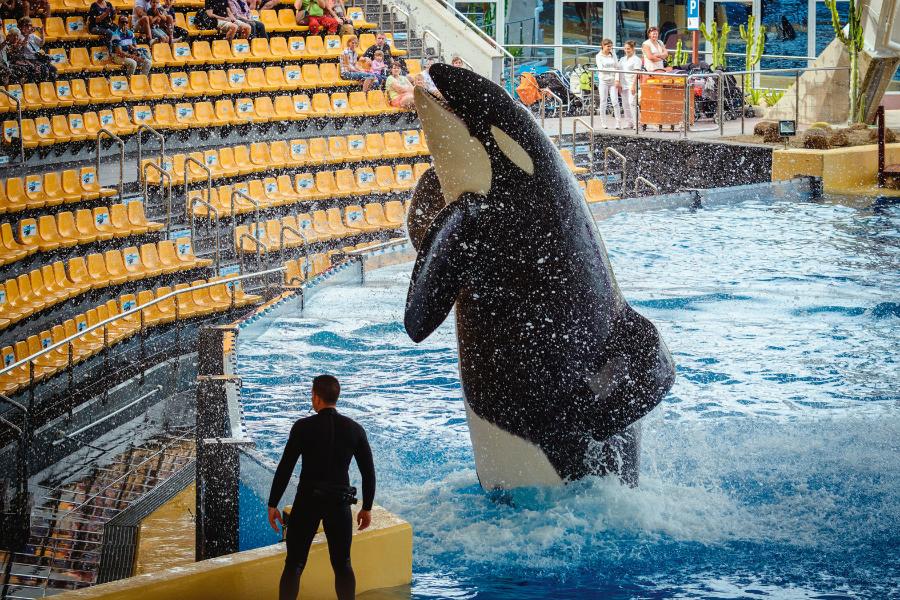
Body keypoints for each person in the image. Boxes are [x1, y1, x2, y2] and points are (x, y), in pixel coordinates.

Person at [267, 375, 375, 600]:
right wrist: (367, 507)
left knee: (294, 564)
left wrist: (273, 503)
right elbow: (368, 472)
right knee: (343, 564)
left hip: (308, 501)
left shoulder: (303, 427)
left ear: (316, 397)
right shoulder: (355, 429)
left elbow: (285, 467)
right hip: (339, 503)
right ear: (336, 397)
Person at [595, 38, 620, 129]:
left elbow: (617, 67)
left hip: (613, 81)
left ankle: (618, 123)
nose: (610, 48)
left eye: (611, 46)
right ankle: (603, 122)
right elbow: (601, 69)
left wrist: (617, 79)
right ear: (603, 46)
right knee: (603, 101)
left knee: (615, 101)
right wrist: (612, 69)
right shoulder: (599, 56)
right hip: (603, 81)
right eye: (608, 46)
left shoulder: (613, 54)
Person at [618, 40, 642, 129]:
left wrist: (633, 85)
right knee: (625, 104)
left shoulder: (637, 59)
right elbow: (618, 71)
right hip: (623, 84)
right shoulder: (622, 59)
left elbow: (637, 74)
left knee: (632, 103)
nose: (626, 50)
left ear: (633, 49)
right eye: (625, 48)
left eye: (628, 49)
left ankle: (637, 123)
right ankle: (629, 123)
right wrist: (619, 82)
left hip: (632, 83)